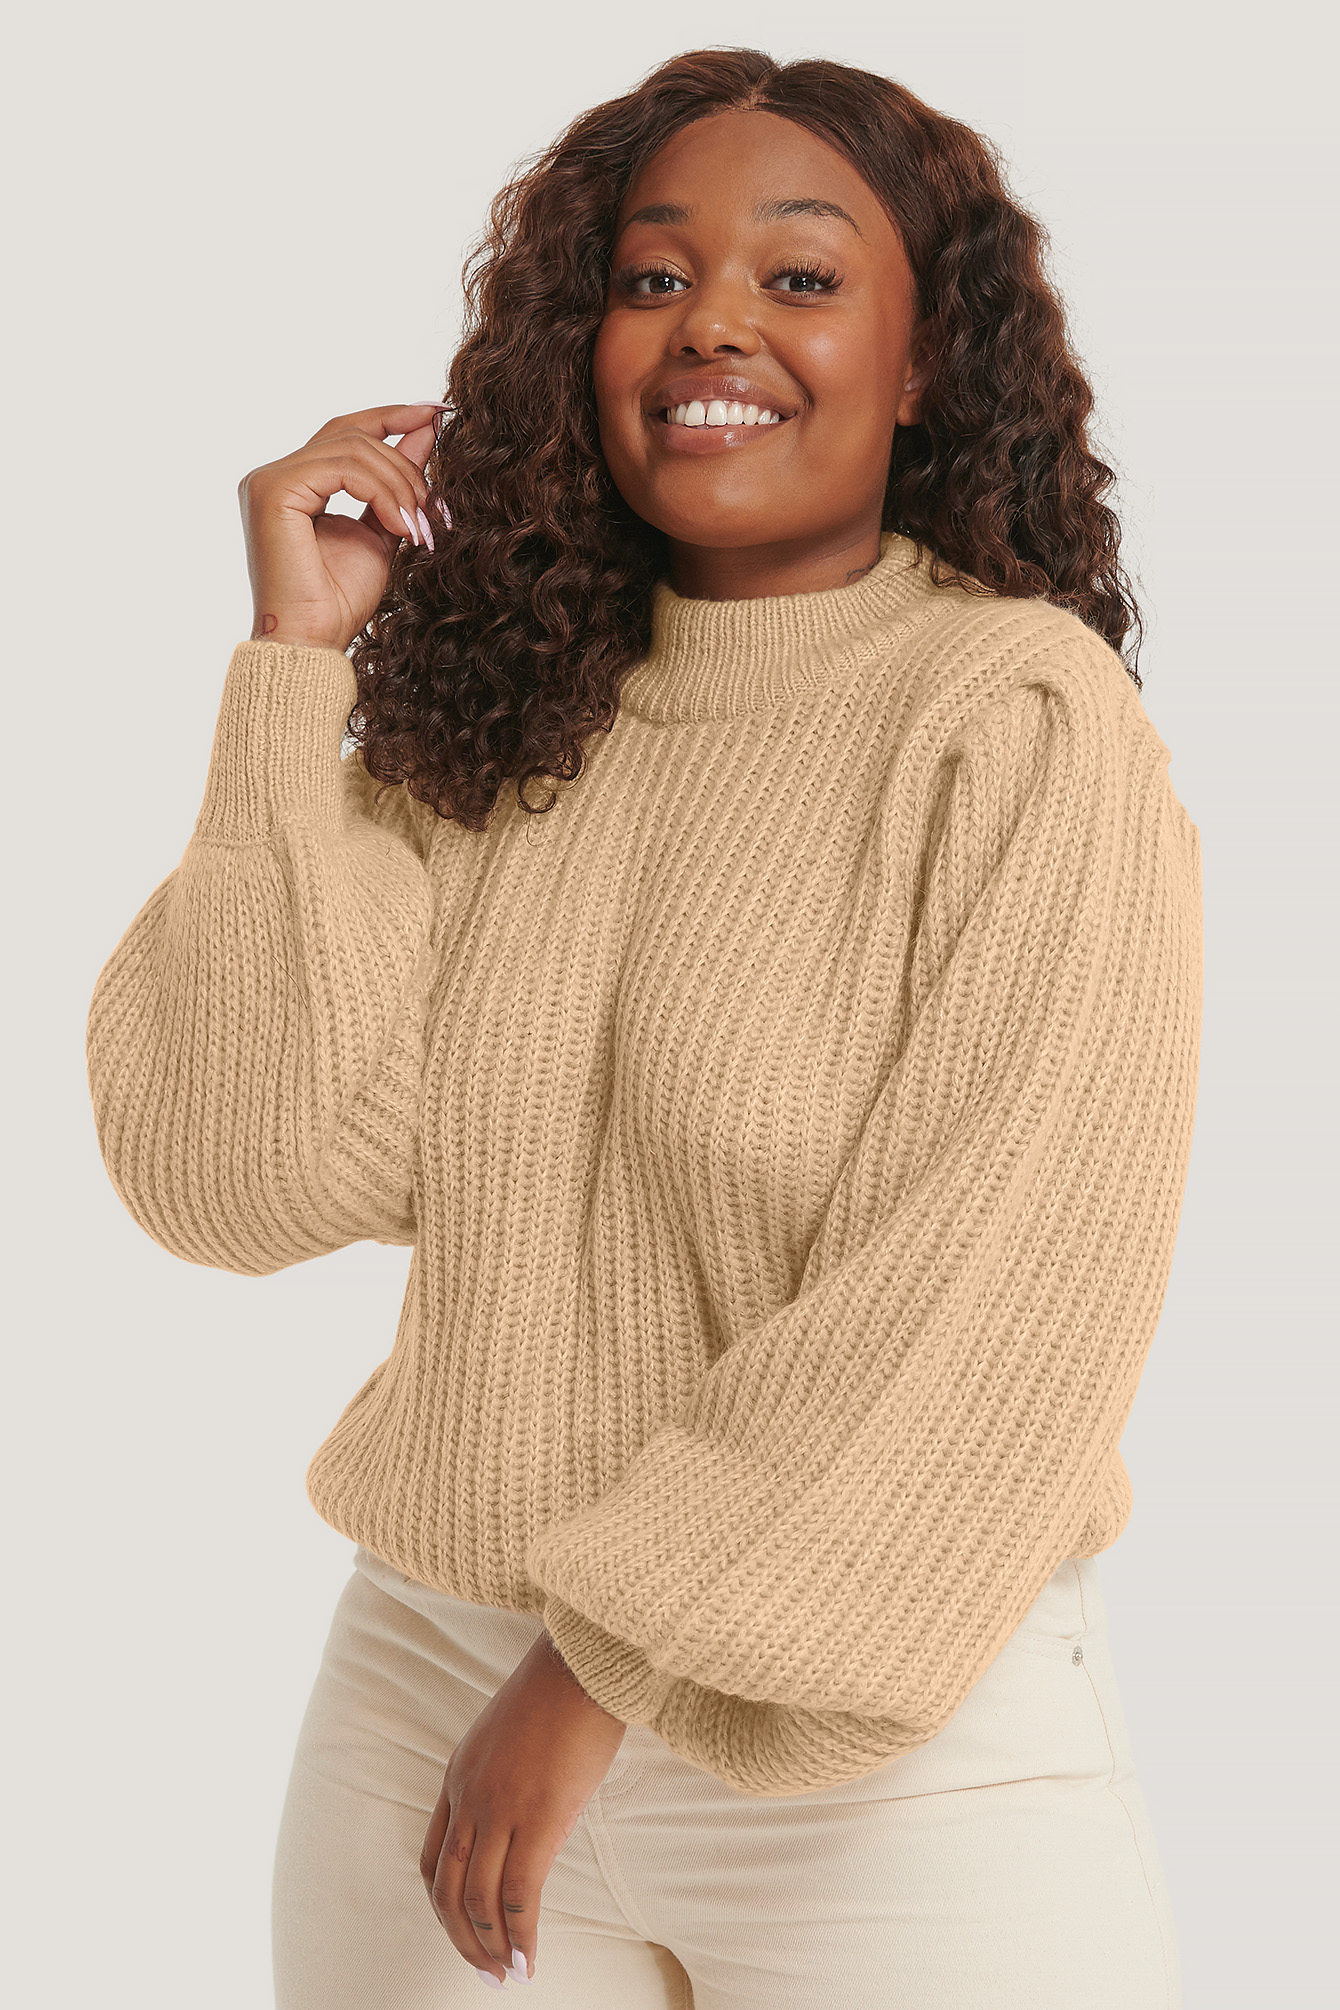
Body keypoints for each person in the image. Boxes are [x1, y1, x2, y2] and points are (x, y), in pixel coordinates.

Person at [84, 46, 1202, 2010]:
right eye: (650, 275)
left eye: (800, 277)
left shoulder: (1014, 723)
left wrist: (601, 1667)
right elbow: (228, 1175)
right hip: (429, 1692)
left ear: (926, 361)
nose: (710, 326)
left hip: (878, 1744)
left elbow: (992, 1289)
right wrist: (295, 670)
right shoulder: (509, 716)